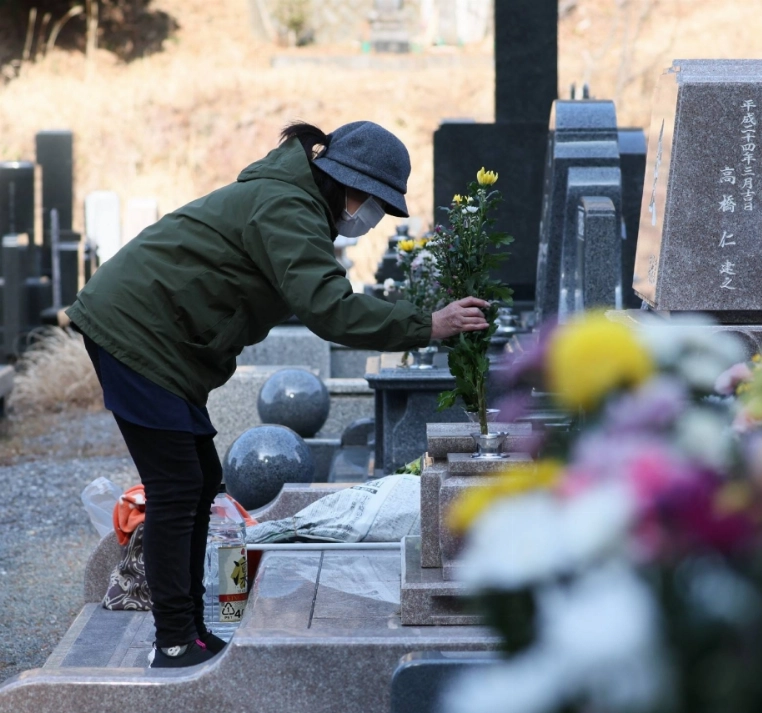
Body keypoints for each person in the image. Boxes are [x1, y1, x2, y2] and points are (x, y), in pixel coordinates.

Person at [66, 121, 489, 668]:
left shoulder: (295, 201)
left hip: (157, 335)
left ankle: (189, 630)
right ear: (345, 183)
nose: (371, 217)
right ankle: (175, 640)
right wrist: (426, 325)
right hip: (137, 329)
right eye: (374, 203)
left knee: (198, 484)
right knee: (178, 487)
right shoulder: (287, 206)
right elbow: (327, 308)